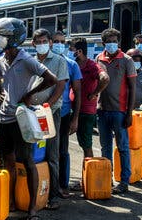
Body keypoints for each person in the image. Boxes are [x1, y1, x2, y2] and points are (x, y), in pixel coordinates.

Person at [0, 18, 57, 220]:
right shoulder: (1, 60)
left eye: (1, 36)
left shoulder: (26, 59)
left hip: (22, 119)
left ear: (12, 39)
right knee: (7, 161)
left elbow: (51, 79)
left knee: (28, 162)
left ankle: (32, 208)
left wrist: (29, 95)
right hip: (5, 118)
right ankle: (9, 201)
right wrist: (1, 94)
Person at [30, 29, 69, 208]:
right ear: (33, 43)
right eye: (38, 41)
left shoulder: (59, 61)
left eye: (44, 41)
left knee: (52, 153)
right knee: (33, 153)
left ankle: (53, 196)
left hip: (50, 113)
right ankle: (34, 194)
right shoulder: (30, 61)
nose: (41, 44)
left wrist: (46, 106)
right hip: (31, 113)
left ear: (50, 42)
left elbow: (60, 86)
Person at [96, 28, 136, 194]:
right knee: (105, 147)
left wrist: (129, 113)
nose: (112, 44)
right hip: (102, 110)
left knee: (123, 147)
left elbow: (132, 89)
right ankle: (108, 178)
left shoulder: (126, 60)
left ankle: (124, 180)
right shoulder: (99, 58)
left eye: (115, 41)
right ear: (104, 43)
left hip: (120, 111)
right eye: (109, 41)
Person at [50, 32, 81, 196]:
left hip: (62, 113)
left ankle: (62, 185)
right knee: (45, 151)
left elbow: (77, 92)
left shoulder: (71, 65)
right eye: (56, 41)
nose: (59, 45)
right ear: (50, 43)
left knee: (62, 151)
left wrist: (75, 118)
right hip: (43, 114)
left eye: (62, 42)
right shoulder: (40, 62)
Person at [73, 38, 109, 164]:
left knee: (86, 145)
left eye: (71, 49)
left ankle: (89, 175)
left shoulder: (92, 65)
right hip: (73, 107)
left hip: (85, 111)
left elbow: (105, 78)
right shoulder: (74, 64)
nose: (69, 51)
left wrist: (94, 93)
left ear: (79, 51)